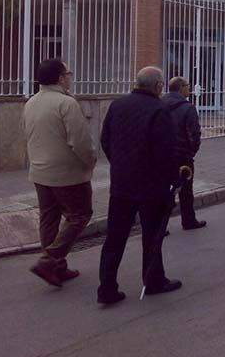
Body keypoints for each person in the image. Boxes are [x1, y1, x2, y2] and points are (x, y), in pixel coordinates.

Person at [98, 67, 180, 305]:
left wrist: (120, 163)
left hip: (122, 183)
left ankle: (107, 287)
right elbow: (166, 152)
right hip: (151, 186)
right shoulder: (160, 110)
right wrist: (172, 182)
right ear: (157, 86)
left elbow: (106, 139)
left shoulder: (118, 105)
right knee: (152, 235)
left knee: (115, 237)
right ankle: (153, 280)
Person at [24, 58, 96, 287]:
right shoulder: (66, 103)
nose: (69, 77)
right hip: (67, 173)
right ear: (60, 78)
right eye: (68, 73)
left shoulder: (32, 102)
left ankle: (56, 267)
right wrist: (91, 161)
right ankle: (49, 260)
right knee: (80, 215)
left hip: (39, 171)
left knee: (49, 218)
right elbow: (80, 141)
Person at [162, 76, 206, 230]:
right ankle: (188, 220)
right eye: (187, 85)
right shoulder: (188, 108)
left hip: (163, 156)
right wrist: (191, 152)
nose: (190, 88)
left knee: (165, 190)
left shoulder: (159, 104)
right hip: (183, 157)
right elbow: (194, 134)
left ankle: (160, 225)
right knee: (186, 191)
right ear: (181, 88)